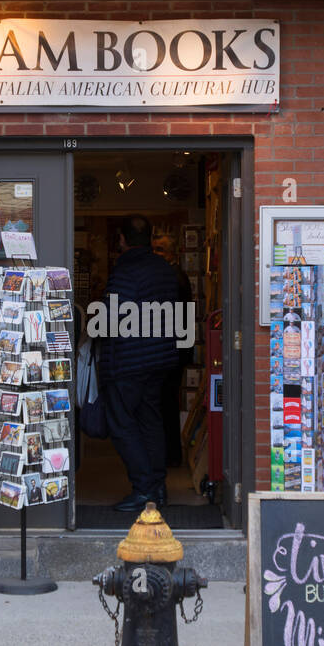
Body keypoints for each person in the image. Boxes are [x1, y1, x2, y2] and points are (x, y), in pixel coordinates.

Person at [97, 215, 180, 512]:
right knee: (151, 422)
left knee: (122, 424)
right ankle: (158, 487)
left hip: (129, 361)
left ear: (122, 239)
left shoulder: (126, 271)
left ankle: (144, 489)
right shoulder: (165, 269)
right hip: (160, 359)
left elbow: (109, 318)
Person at [152, 233, 194, 468]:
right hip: (176, 348)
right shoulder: (175, 276)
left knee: (166, 402)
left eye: (160, 250)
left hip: (172, 349)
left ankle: (170, 455)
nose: (156, 254)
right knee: (166, 402)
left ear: (172, 254)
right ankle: (170, 453)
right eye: (154, 249)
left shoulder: (174, 278)